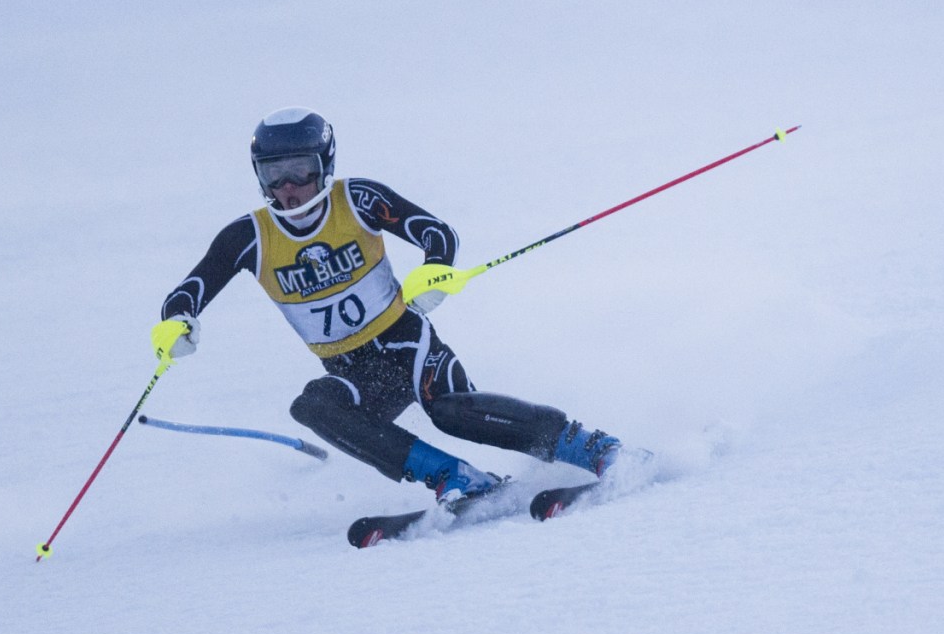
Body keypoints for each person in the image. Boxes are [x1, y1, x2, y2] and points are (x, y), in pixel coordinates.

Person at [154, 107, 621, 504]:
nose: (289, 186)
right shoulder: (249, 237)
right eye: (274, 173)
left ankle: (593, 448)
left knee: (451, 412)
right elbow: (189, 290)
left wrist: (434, 271)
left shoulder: (358, 200)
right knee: (313, 406)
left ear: (325, 164)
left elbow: (436, 233)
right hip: (353, 372)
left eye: (301, 169)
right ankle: (455, 479)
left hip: (405, 343)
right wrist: (175, 324)